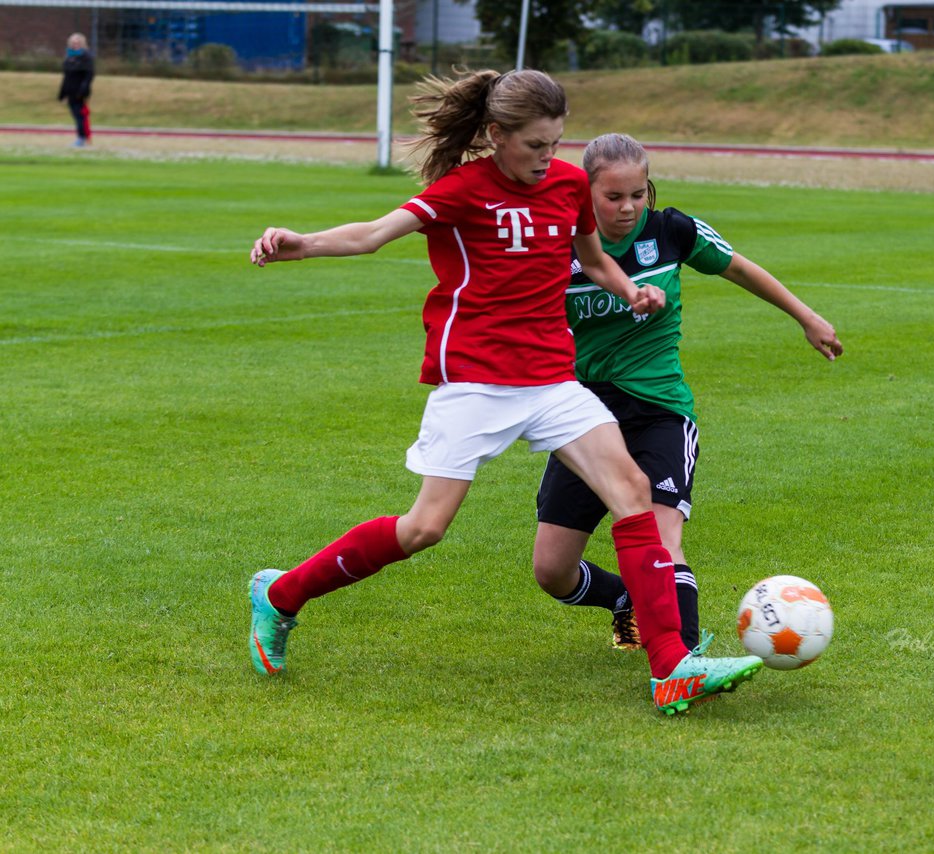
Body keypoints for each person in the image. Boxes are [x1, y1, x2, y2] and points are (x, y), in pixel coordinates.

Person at [246, 70, 762, 715]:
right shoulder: (462, 189)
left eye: (556, 144)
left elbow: (595, 258)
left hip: (552, 379)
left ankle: (672, 666)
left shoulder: (572, 185)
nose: (550, 159)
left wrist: (631, 291)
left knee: (632, 493)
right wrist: (302, 245)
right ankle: (280, 595)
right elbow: (373, 234)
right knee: (424, 528)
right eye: (537, 146)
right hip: (476, 382)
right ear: (497, 135)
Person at [532, 133, 843, 653]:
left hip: (658, 411)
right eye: (613, 197)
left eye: (638, 193)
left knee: (660, 540)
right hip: (582, 416)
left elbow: (738, 267)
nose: (629, 207)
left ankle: (685, 659)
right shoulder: (557, 243)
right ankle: (626, 599)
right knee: (552, 571)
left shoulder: (672, 230)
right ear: (584, 193)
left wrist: (806, 317)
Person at [57, 33, 94, 147]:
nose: (75, 44)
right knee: (75, 114)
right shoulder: (69, 56)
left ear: (82, 43)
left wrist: (83, 90)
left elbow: (89, 75)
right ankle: (81, 137)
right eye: (73, 42)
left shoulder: (86, 56)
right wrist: (62, 93)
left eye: (77, 42)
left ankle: (82, 138)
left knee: (80, 115)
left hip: (79, 91)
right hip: (70, 90)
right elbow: (66, 76)